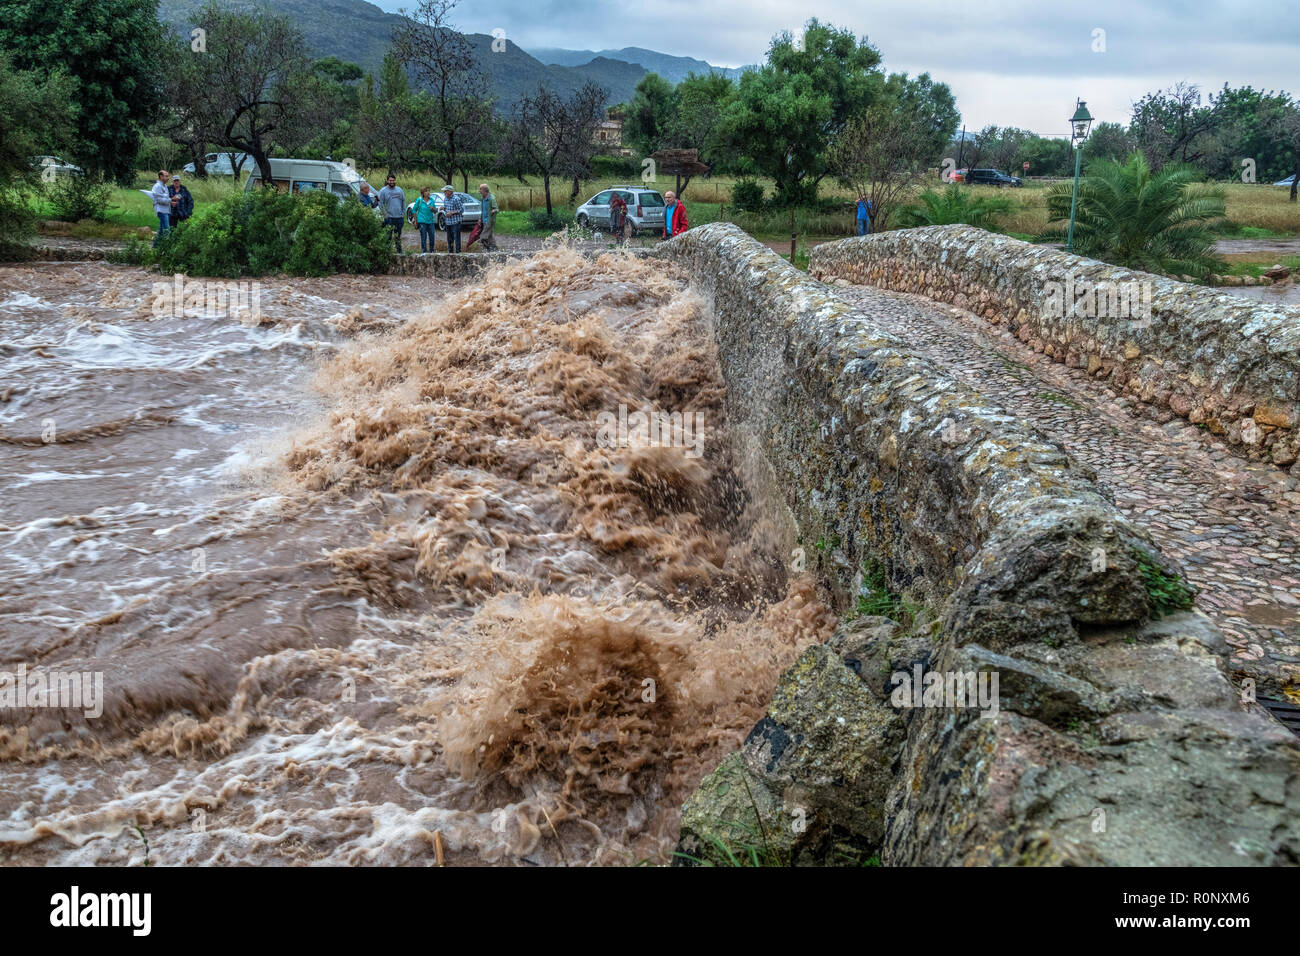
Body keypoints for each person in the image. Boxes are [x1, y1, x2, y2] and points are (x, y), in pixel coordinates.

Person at [377, 174, 406, 253]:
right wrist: (385, 215)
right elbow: (380, 203)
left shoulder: (399, 190)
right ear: (387, 181)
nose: (392, 182)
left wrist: (403, 213)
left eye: (393, 180)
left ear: (395, 180)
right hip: (389, 218)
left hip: (399, 217)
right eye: (390, 180)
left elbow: (403, 201)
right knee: (388, 237)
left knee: (398, 237)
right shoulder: (383, 191)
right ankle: (387, 252)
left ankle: (399, 252)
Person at [410, 186, 437, 253]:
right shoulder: (419, 200)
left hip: (430, 221)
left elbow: (435, 211)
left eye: (429, 191)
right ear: (423, 193)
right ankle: (424, 251)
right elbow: (414, 211)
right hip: (422, 221)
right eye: (426, 191)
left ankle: (431, 251)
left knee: (432, 237)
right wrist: (416, 221)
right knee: (423, 237)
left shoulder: (432, 200)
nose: (428, 192)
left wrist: (432, 208)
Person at [150, 170, 172, 247]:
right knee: (166, 230)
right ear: (161, 177)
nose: (168, 178)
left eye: (168, 176)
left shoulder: (165, 186)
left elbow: (165, 198)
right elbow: (158, 199)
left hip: (166, 210)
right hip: (161, 210)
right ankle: (167, 247)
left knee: (162, 230)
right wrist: (171, 200)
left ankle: (155, 247)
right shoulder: (157, 186)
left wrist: (171, 202)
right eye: (166, 176)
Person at [441, 184, 464, 254]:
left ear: (450, 191)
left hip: (455, 222)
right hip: (448, 222)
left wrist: (451, 213)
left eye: (445, 191)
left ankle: (458, 253)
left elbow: (461, 210)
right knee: (449, 239)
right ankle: (450, 253)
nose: (444, 193)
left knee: (457, 239)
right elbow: (447, 208)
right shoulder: (445, 199)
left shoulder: (456, 199)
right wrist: (443, 208)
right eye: (444, 191)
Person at [477, 183, 499, 251]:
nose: (479, 191)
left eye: (481, 189)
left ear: (485, 190)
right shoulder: (483, 198)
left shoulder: (492, 198)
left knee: (482, 237)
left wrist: (493, 210)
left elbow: (497, 209)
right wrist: (480, 219)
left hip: (489, 221)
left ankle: (487, 249)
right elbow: (483, 210)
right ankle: (494, 249)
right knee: (490, 236)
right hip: (484, 220)